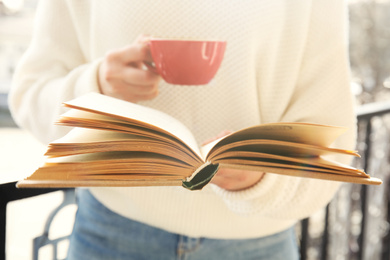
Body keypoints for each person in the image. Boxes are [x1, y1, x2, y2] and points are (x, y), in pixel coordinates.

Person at [9, 1, 357, 259]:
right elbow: (30, 96)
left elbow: (331, 146)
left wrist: (263, 177)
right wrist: (96, 85)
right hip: (109, 234)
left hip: (258, 244)